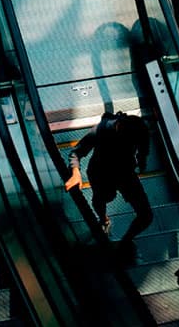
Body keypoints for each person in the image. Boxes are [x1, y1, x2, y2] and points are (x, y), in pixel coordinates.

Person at [65, 111, 154, 260]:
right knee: (103, 198)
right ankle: (104, 220)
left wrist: (141, 159)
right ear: (118, 127)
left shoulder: (139, 131)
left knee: (146, 215)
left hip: (124, 172)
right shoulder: (101, 130)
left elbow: (143, 147)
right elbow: (76, 152)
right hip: (101, 173)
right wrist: (75, 172)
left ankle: (125, 240)